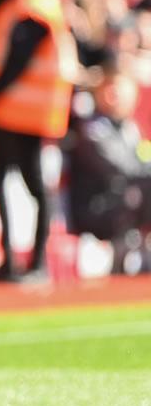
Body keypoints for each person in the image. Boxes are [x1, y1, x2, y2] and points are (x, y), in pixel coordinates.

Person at [0, 0, 77, 283]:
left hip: (23, 110)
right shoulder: (33, 2)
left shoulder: (34, 4)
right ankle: (16, 262)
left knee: (32, 184)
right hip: (16, 109)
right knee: (3, 180)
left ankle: (36, 262)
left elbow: (18, 59)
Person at [64, 53, 151, 274]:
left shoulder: (130, 128)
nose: (114, 97)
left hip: (125, 200)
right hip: (96, 207)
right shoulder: (91, 128)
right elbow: (120, 168)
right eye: (110, 89)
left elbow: (141, 160)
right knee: (139, 191)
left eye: (120, 91)